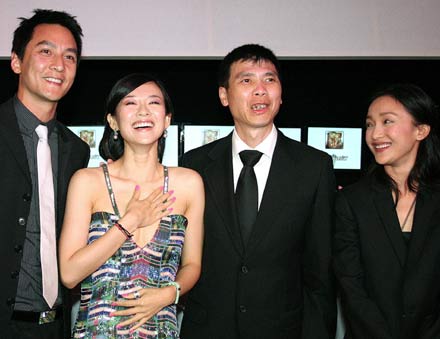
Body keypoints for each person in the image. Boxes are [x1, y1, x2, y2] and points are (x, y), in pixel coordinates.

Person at [180, 44, 336, 339]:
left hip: (282, 329)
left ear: (281, 93)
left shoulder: (314, 167)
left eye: (270, 79)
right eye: (247, 80)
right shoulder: (195, 164)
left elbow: (320, 274)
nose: (260, 90)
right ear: (224, 96)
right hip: (208, 329)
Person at [59, 73, 204, 338]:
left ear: (167, 119)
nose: (143, 112)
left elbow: (192, 264)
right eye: (130, 103)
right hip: (97, 331)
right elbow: (69, 274)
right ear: (113, 121)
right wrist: (129, 222)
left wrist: (169, 294)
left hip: (161, 328)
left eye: (153, 103)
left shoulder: (189, 183)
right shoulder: (87, 182)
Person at [0, 9, 90, 339]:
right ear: (16, 62)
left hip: (56, 325)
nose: (59, 65)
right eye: (45, 51)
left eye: (70, 57)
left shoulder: (75, 149)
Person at [333, 83, 440, 339]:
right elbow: (352, 286)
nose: (375, 134)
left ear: (421, 130)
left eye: (387, 121)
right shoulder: (352, 201)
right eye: (370, 124)